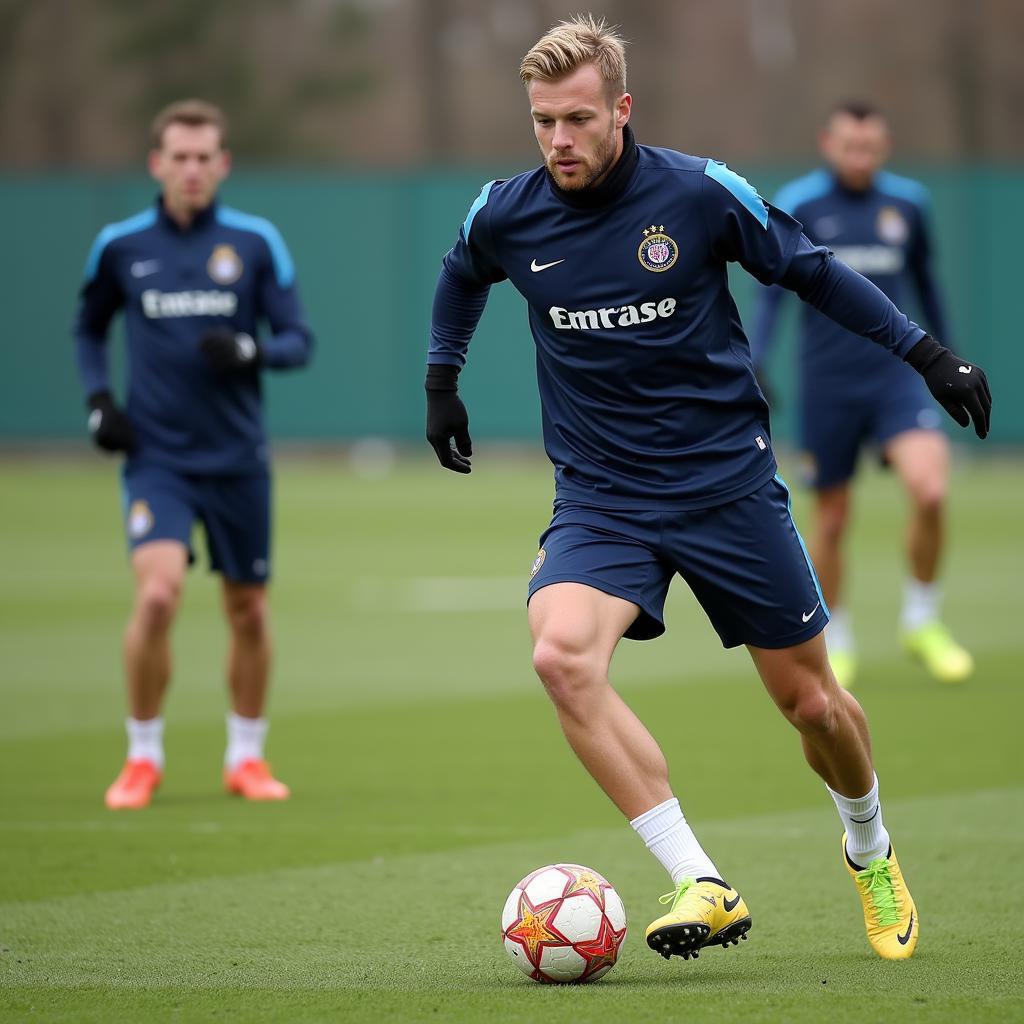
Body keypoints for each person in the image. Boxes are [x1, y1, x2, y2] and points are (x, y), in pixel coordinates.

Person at [425, 16, 990, 963]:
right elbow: (459, 275)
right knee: (561, 657)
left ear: (621, 111)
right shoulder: (507, 211)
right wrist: (443, 380)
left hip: (726, 486)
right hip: (603, 496)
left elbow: (811, 271)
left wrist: (926, 356)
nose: (558, 141)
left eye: (575, 119)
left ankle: (870, 847)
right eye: (541, 123)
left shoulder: (696, 191)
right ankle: (701, 879)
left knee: (814, 706)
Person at [74, 99, 313, 810]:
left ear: (223, 164)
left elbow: (300, 340)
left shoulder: (255, 242)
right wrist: (98, 400)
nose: (191, 169)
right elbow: (87, 330)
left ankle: (246, 756)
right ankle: (142, 756)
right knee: (157, 595)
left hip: (238, 458)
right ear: (157, 164)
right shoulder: (120, 245)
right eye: (179, 157)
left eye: (204, 157)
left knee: (247, 612)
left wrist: (251, 350)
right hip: (157, 458)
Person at [751, 101, 972, 689]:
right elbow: (772, 293)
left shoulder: (909, 204)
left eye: (871, 147)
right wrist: (757, 358)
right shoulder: (800, 203)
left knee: (929, 489)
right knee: (832, 518)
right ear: (828, 142)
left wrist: (947, 358)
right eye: (850, 146)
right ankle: (839, 639)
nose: (860, 157)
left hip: (897, 376)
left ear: (885, 145)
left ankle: (923, 621)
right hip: (827, 383)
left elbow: (927, 284)